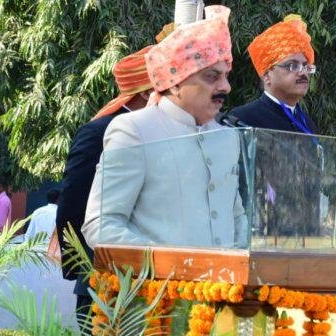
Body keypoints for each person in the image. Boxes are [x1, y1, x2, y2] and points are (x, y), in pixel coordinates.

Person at [82, 5, 248, 249]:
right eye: (212, 76)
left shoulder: (227, 137)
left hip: (227, 276)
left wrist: (244, 260)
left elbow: (236, 217)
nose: (226, 87)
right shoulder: (135, 130)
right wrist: (169, 264)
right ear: (175, 83)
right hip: (159, 275)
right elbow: (101, 226)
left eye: (226, 76)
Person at [55, 44, 155, 332]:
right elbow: (72, 203)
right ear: (146, 92)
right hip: (102, 277)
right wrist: (81, 265)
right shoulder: (99, 132)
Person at [227, 15, 321, 237]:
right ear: (267, 75)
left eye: (306, 66)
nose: (302, 72)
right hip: (260, 234)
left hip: (306, 236)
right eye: (292, 66)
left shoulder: (307, 122)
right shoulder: (243, 120)